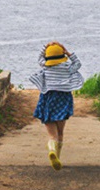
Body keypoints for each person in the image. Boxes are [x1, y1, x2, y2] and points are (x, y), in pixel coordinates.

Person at [29, 41, 84, 170]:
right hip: (63, 98)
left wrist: (46, 48)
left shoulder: (45, 67)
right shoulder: (67, 67)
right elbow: (78, 64)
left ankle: (52, 151)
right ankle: (57, 157)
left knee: (52, 135)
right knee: (60, 132)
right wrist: (67, 51)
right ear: (62, 55)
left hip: (48, 98)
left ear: (47, 57)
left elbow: (40, 59)